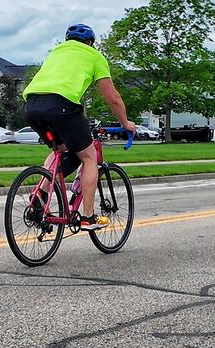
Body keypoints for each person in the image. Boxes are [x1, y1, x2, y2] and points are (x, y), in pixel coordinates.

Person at [23, 24, 136, 230]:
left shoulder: (56, 53)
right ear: (90, 43)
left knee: (59, 149)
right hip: (62, 107)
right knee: (89, 156)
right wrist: (125, 123)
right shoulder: (95, 56)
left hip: (32, 106)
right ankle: (87, 217)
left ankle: (40, 193)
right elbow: (113, 99)